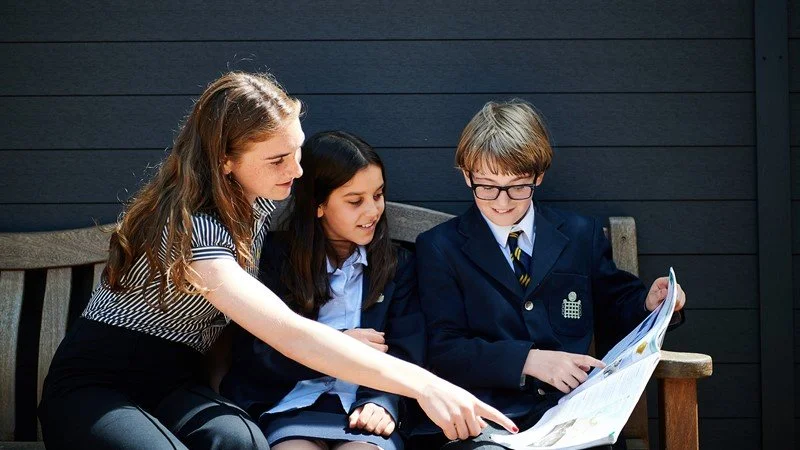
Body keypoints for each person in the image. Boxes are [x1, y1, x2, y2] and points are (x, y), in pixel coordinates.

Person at [36, 72, 516, 450]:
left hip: (174, 383)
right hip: (99, 386)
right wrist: (426, 387)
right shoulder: (191, 230)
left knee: (240, 440)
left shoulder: (255, 200)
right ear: (225, 160)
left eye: (297, 151)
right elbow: (288, 333)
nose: (297, 171)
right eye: (278, 160)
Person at [412, 99, 686, 449]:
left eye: (518, 186)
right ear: (467, 176)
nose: (501, 201)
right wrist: (528, 360)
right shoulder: (440, 247)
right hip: (486, 422)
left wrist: (650, 303)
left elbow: (616, 306)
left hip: (571, 415)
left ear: (538, 176)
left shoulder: (578, 234)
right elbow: (445, 349)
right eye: (486, 186)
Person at [222, 130, 423, 450]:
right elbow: (254, 353)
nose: (372, 211)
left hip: (365, 410)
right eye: (355, 201)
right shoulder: (274, 260)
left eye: (378, 195)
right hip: (287, 404)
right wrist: (334, 348)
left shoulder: (398, 266)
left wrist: (382, 401)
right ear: (318, 205)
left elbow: (408, 349)